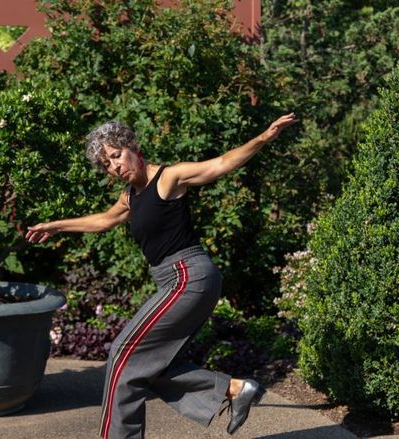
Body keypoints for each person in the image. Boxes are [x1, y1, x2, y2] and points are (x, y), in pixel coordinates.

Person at [25, 113, 297, 438]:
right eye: (107, 165)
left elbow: (221, 163)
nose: (115, 166)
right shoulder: (130, 196)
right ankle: (235, 390)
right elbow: (102, 221)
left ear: (132, 147)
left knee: (121, 354)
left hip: (188, 274)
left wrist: (264, 137)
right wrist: (55, 226)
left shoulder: (168, 178)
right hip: (175, 280)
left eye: (116, 156)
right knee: (146, 365)